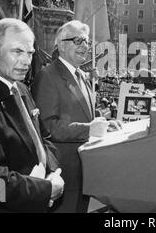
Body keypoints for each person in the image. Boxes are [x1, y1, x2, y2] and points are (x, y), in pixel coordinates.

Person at [0, 18, 64, 212]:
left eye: (29, 53)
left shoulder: (21, 88)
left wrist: (53, 173)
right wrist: (43, 191)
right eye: (17, 52)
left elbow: (44, 137)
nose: (26, 61)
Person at [32, 20, 97, 213]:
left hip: (85, 171)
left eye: (87, 41)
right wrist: (89, 129)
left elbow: (86, 114)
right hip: (63, 174)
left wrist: (106, 123)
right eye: (78, 40)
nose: (85, 46)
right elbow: (47, 126)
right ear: (61, 45)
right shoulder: (48, 75)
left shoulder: (82, 76)